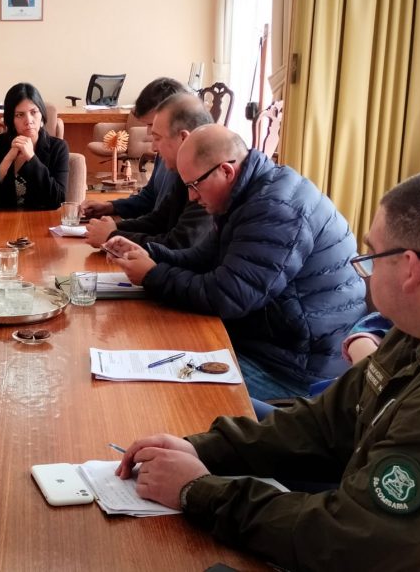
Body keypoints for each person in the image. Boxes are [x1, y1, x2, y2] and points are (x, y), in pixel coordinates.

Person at [115, 170, 420, 571]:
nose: (361, 272)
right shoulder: (412, 333)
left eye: (370, 257)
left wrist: (198, 491)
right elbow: (322, 424)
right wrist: (201, 448)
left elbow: (351, 539)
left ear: (409, 268)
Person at [105, 124, 365, 399]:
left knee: (161, 388)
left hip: (294, 367)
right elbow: (202, 259)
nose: (192, 196)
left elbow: (228, 295)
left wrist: (152, 275)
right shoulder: (246, 194)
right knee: (156, 344)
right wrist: (151, 255)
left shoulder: (276, 209)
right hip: (270, 339)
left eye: (194, 186)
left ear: (226, 171)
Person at [84, 93, 213, 250]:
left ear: (183, 138)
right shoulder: (187, 173)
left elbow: (178, 245)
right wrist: (114, 229)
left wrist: (114, 237)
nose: (153, 148)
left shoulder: (208, 180)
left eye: (157, 138)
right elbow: (158, 221)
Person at [80, 77, 188, 220]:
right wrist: (110, 207)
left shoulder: (192, 172)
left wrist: (115, 232)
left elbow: (170, 232)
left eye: (150, 124)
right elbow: (149, 197)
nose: (149, 133)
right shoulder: (164, 154)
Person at [0, 82, 69, 210]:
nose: (28, 120)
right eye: (20, 115)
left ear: (41, 117)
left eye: (33, 112)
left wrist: (32, 158)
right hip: (2, 223)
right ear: (11, 121)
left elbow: (58, 200)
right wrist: (7, 161)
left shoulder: (58, 148)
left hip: (41, 222)